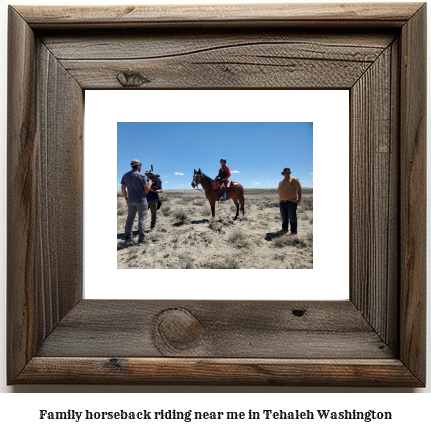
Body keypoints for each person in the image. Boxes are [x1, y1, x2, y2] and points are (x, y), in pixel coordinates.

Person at [121, 159, 153, 244]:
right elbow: (146, 190)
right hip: (141, 201)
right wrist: (149, 183)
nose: (141, 167)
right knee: (141, 219)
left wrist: (126, 198)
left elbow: (123, 188)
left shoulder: (125, 175)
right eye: (140, 165)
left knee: (130, 218)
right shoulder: (141, 176)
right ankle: (142, 239)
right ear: (138, 165)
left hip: (131, 201)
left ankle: (128, 237)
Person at [278, 167, 302, 235]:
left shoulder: (294, 179)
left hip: (291, 202)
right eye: (286, 172)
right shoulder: (281, 181)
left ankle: (293, 232)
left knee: (292, 218)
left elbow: (299, 189)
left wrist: (299, 199)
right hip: (282, 202)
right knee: (284, 217)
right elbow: (280, 190)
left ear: (290, 172)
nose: (287, 173)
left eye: (288, 172)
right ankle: (284, 229)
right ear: (283, 173)